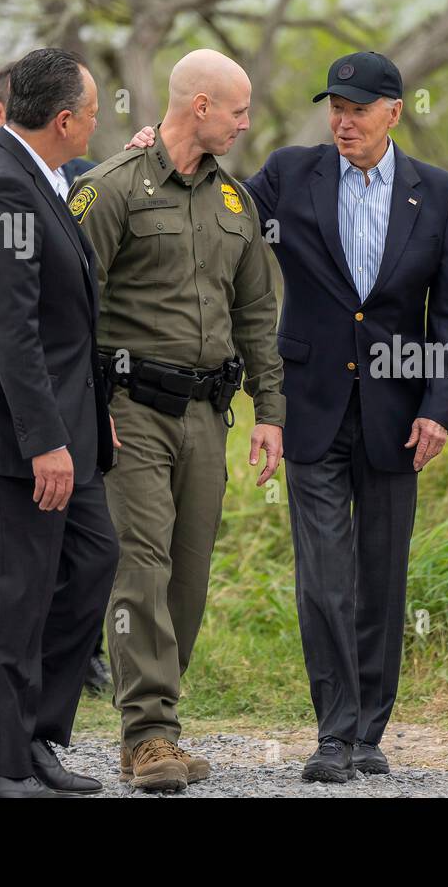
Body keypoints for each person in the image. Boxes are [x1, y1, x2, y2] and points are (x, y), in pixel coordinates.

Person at [126, 49, 448, 782]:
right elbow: (210, 202)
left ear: (393, 113)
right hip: (309, 406)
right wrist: (157, 152)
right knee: (324, 577)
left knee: (382, 575)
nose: (341, 121)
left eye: (356, 109)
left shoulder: (439, 194)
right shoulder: (290, 174)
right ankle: (333, 732)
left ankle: (371, 728)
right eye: (335, 108)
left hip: (397, 412)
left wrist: (441, 407)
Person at [70, 50, 284, 792]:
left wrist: (269, 413)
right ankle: (151, 734)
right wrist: (88, 409)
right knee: (141, 568)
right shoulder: (111, 189)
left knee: (187, 577)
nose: (246, 122)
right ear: (199, 106)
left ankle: (150, 728)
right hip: (129, 412)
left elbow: (257, 312)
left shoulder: (235, 204)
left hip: (207, 414)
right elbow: (73, 309)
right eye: (238, 109)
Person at [0, 47, 119, 797]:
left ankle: (39, 736)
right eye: (95, 111)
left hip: (63, 425)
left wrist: (92, 422)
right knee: (16, 591)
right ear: (65, 119)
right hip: (6, 436)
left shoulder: (50, 180)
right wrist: (46, 441)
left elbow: (68, 328)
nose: (99, 121)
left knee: (91, 562)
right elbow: (12, 334)